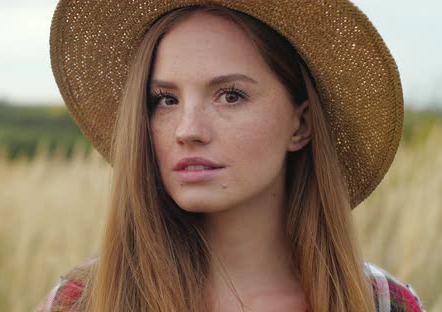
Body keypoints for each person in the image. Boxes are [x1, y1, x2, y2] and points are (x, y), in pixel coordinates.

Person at [40, 1, 426, 311]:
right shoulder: (82, 302)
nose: (188, 130)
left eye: (230, 95)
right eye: (165, 100)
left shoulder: (384, 304)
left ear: (301, 125)